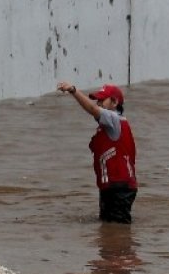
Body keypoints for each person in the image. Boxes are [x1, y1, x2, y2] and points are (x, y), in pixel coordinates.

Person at [55, 81, 138, 223]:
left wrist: (73, 91)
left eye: (101, 100)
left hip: (119, 187)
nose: (98, 103)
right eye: (97, 100)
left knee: (118, 233)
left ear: (115, 102)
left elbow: (92, 109)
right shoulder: (108, 125)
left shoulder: (113, 118)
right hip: (112, 187)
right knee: (109, 229)